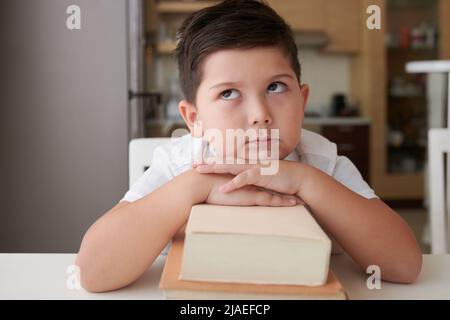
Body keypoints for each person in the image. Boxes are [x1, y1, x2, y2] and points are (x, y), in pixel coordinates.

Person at [75, 0, 422, 293]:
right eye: (228, 93)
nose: (259, 115)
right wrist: (198, 186)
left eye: (275, 87)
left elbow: (404, 266)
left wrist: (305, 181)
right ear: (194, 118)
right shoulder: (182, 164)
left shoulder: (321, 162)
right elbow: (94, 272)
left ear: (302, 101)